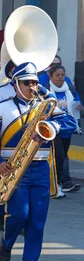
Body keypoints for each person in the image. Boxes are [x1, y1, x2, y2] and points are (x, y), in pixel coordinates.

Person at [0, 62, 77, 261]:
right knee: (19, 214)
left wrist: (53, 126)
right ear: (16, 85)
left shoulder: (46, 106)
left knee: (38, 217)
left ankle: (32, 260)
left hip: (41, 167)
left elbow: (72, 123)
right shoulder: (3, 107)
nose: (31, 86)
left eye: (34, 82)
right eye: (26, 83)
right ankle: (7, 241)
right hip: (14, 168)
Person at [46, 65, 81, 193]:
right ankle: (58, 182)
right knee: (59, 155)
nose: (61, 78)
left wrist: (79, 107)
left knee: (62, 155)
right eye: (57, 75)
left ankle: (59, 181)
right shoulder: (47, 90)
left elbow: (77, 101)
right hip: (54, 128)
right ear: (51, 76)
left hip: (68, 127)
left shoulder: (70, 89)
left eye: (62, 75)